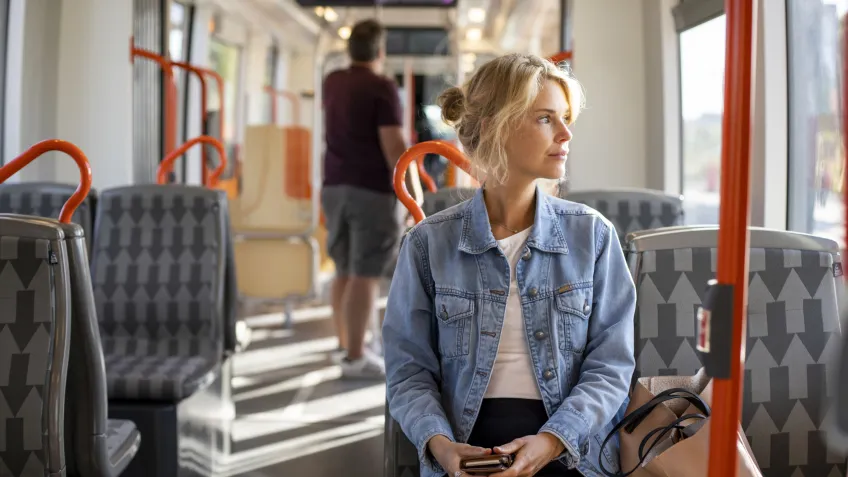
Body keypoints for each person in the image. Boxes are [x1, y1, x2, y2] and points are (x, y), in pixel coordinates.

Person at [382, 53, 636, 477]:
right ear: (495, 128)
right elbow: (408, 372)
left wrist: (552, 441)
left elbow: (611, 368)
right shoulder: (427, 245)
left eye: (565, 118)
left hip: (572, 449)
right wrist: (443, 448)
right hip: (463, 446)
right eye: (545, 119)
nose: (566, 133)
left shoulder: (593, 236)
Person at [321, 19, 421, 379]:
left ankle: (345, 343)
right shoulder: (382, 87)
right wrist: (413, 193)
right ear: (380, 51)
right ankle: (356, 356)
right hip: (370, 191)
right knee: (365, 274)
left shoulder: (332, 81)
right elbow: (394, 146)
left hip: (333, 187)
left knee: (343, 270)